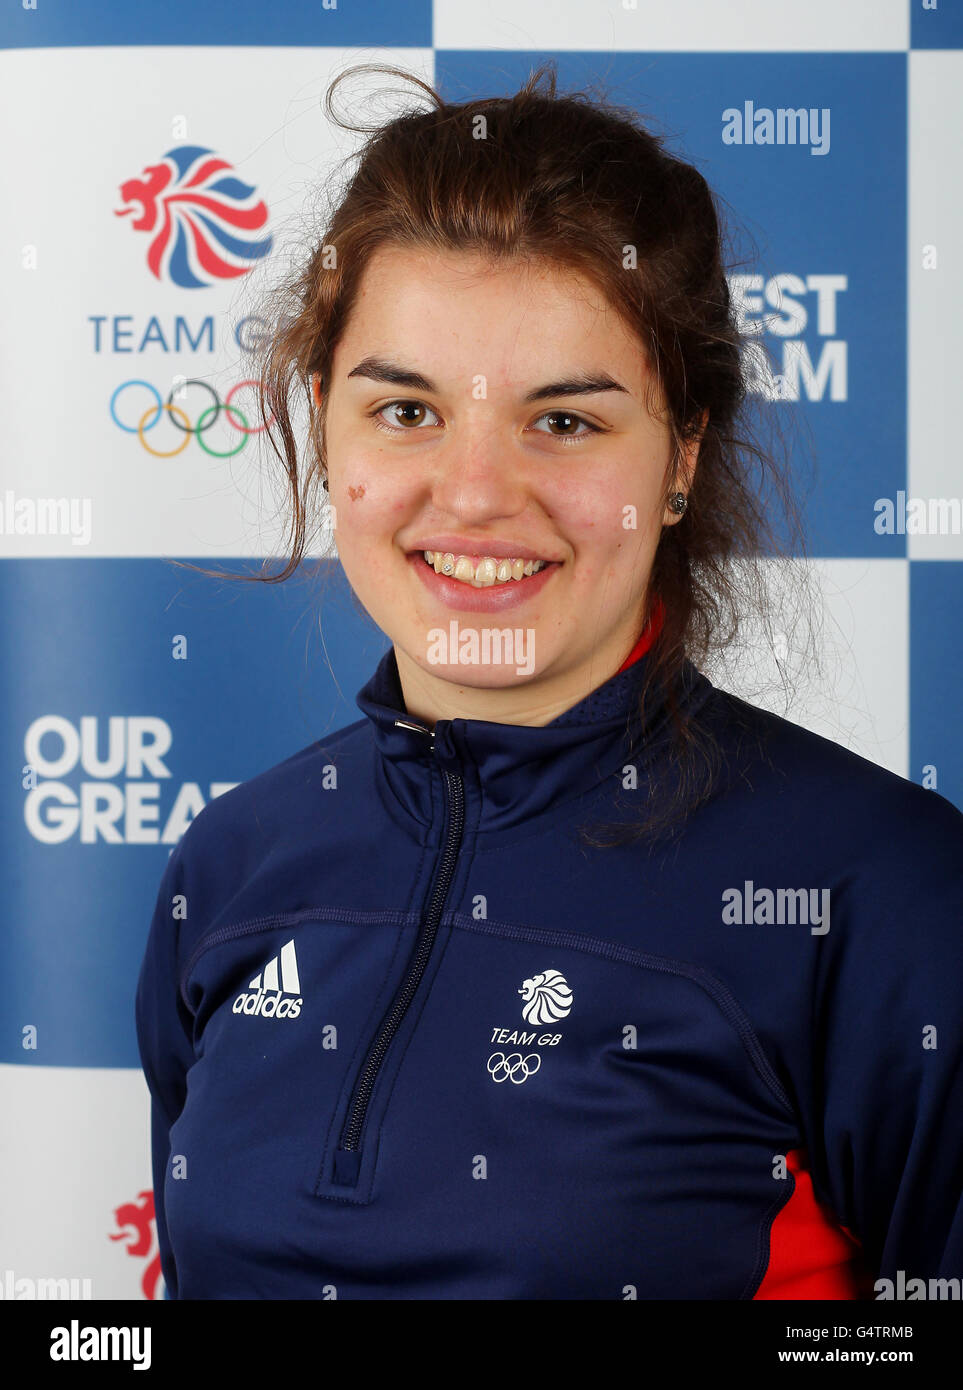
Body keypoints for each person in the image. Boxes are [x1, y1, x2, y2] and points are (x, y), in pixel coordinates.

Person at [136, 62, 963, 1300]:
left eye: (565, 421)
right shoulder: (233, 865)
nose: (475, 494)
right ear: (322, 419)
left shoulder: (881, 889)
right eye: (405, 411)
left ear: (679, 453)